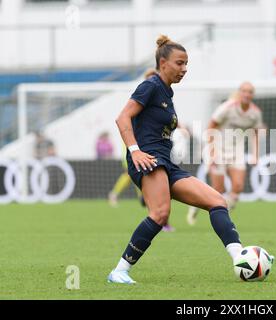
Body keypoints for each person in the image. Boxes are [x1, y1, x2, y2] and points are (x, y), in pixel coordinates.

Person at [107, 35, 262, 284]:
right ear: (163, 63)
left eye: (186, 63)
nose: (184, 69)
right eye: (180, 63)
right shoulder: (151, 85)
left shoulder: (166, 93)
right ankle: (119, 271)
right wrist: (135, 150)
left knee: (217, 201)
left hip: (165, 163)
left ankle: (240, 258)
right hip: (148, 160)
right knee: (160, 213)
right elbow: (122, 118)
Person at [108, 67, 176, 232]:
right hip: (137, 148)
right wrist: (134, 149)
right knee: (145, 176)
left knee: (159, 180)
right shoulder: (143, 96)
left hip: (157, 149)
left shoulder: (164, 100)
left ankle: (156, 213)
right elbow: (125, 120)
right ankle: (119, 195)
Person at [186, 82, 264, 226]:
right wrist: (212, 151)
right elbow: (211, 127)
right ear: (239, 93)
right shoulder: (227, 108)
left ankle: (223, 215)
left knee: (238, 186)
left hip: (237, 151)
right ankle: (196, 205)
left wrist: (256, 154)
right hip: (218, 149)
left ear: (252, 95)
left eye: (250, 92)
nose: (247, 94)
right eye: (244, 91)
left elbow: (256, 132)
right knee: (218, 190)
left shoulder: (255, 113)